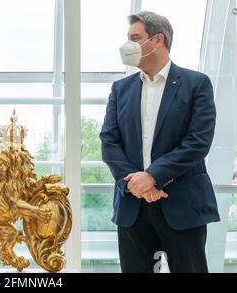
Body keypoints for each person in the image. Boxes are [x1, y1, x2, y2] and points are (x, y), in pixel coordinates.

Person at [100, 11, 220, 273]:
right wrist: (134, 182)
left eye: (134, 37)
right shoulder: (120, 89)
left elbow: (198, 141)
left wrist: (153, 176)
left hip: (183, 203)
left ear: (157, 40)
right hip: (132, 205)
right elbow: (109, 141)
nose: (127, 45)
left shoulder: (196, 84)